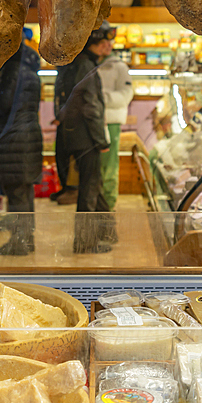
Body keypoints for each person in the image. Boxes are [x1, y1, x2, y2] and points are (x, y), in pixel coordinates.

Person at [0, 41, 44, 256]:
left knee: (16, 193)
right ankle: (26, 238)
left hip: (14, 139)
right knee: (24, 192)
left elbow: (2, 104)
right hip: (27, 136)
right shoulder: (29, 72)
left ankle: (19, 242)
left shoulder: (12, 71)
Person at [58, 25, 116, 253]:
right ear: (99, 43)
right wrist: (101, 141)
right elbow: (91, 107)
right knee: (89, 191)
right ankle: (84, 243)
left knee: (95, 185)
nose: (109, 46)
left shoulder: (79, 63)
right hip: (86, 138)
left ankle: (107, 232)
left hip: (77, 135)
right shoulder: (86, 65)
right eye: (107, 42)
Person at [98, 25, 134, 213]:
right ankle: (98, 204)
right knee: (96, 168)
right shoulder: (91, 65)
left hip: (111, 122)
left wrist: (102, 99)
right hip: (94, 122)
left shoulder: (120, 67)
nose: (105, 46)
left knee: (110, 167)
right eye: (102, 42)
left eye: (108, 42)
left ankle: (109, 205)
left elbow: (127, 94)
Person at [50, 62, 77, 205]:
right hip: (63, 120)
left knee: (69, 155)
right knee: (60, 155)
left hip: (70, 121)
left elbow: (70, 96)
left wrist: (61, 116)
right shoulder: (62, 71)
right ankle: (65, 187)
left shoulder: (71, 69)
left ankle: (72, 189)